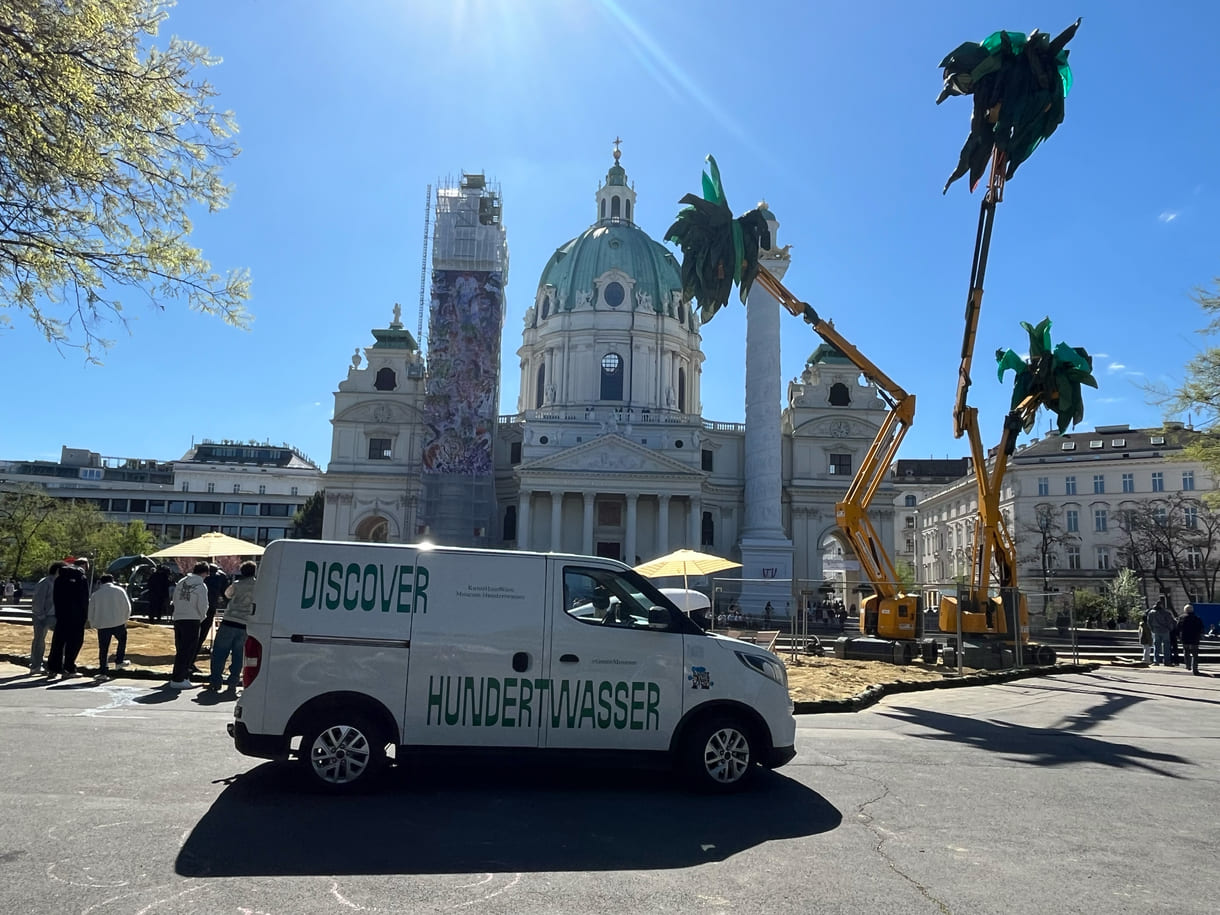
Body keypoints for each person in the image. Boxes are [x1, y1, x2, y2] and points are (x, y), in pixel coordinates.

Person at [208, 561, 256, 693]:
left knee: (220, 652)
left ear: (242, 572)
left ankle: (215, 681)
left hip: (230, 620)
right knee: (239, 654)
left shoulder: (237, 584)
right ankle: (233, 682)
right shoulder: (260, 586)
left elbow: (227, 594)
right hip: (246, 623)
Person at [46, 558, 90, 678]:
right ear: (84, 566)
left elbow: (55, 597)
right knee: (74, 643)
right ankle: (69, 668)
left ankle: (53, 668)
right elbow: (84, 600)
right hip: (76, 617)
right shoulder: (81, 577)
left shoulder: (60, 578)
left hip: (62, 615)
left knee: (58, 642)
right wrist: (84, 616)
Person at [169, 561, 209, 689]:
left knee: (180, 648)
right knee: (188, 650)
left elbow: (174, 599)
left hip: (179, 617)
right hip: (192, 618)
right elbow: (203, 605)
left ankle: (181, 676)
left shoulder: (182, 581)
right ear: (205, 573)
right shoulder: (201, 585)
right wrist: (202, 617)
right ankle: (179, 678)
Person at [88, 573, 132, 677]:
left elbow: (91, 611)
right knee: (122, 641)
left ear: (101, 582)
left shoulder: (96, 594)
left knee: (103, 649)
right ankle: (119, 661)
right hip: (118, 623)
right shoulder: (120, 590)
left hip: (102, 625)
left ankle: (103, 671)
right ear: (112, 580)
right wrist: (125, 619)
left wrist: (93, 623)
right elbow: (127, 606)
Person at [28, 562, 62, 675]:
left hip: (54, 616)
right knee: (39, 640)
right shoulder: (45, 582)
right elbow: (38, 600)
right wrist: (41, 615)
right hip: (42, 616)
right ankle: (36, 665)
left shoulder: (59, 582)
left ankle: (55, 665)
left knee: (60, 640)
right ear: (58, 570)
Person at [194, 563, 231, 668]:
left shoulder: (199, 576)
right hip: (210, 608)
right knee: (201, 635)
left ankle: (188, 659)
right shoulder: (221, 576)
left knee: (193, 635)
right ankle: (192, 659)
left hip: (195, 608)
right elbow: (226, 594)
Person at [1145, 597, 1176, 666]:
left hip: (1156, 631)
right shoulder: (1166, 612)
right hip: (1165, 631)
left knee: (1156, 646)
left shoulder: (1151, 613)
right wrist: (1170, 629)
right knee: (1166, 646)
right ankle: (1167, 661)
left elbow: (1148, 622)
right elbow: (1170, 621)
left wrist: (1152, 629)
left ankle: (1156, 661)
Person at [1178, 604, 1204, 675]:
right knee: (1195, 654)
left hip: (1185, 638)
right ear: (1192, 610)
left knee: (1186, 652)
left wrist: (1178, 636)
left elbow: (1178, 628)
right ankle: (1195, 668)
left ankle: (1188, 665)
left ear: (1185, 610)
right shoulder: (1197, 618)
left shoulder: (1181, 618)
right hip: (1195, 638)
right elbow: (1201, 628)